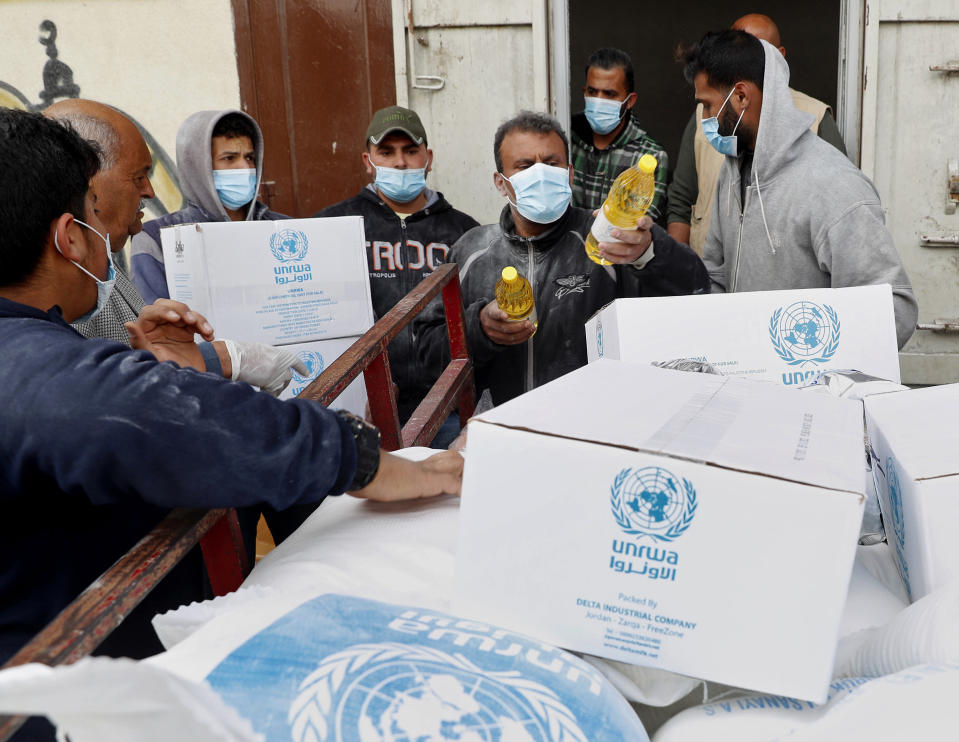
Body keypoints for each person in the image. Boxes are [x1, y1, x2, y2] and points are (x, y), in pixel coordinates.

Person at [0, 109, 462, 676]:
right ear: (70, 236)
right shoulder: (35, 367)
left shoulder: (39, 352)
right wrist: (383, 464)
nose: (146, 194)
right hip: (69, 700)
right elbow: (193, 426)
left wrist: (158, 368)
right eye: (95, 209)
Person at [45, 100, 313, 557]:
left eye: (250, 159)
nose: (149, 190)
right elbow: (92, 391)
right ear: (86, 185)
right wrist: (221, 359)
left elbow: (134, 355)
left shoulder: (106, 266)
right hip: (137, 547)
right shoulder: (116, 261)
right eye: (137, 176)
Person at [416, 111, 708, 407]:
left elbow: (694, 289)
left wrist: (649, 252)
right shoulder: (471, 251)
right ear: (500, 182)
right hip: (503, 430)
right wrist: (478, 329)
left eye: (551, 163)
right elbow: (428, 358)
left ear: (569, 173)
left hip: (591, 428)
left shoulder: (609, 240)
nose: (540, 174)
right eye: (525, 165)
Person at [680, 30, 917, 348]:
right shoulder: (733, 172)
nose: (704, 119)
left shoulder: (832, 185)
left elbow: (894, 310)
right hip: (748, 386)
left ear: (740, 96)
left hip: (809, 392)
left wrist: (812, 367)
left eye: (708, 106)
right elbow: (716, 275)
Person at [313, 106, 479, 441]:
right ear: (367, 160)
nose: (400, 163)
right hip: (361, 409)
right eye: (386, 153)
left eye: (411, 151)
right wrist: (355, 392)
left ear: (428, 158)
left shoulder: (463, 231)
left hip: (445, 407)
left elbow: (473, 320)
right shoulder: (332, 228)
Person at [667, 13, 848, 253]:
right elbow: (681, 200)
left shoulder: (817, 122)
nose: (740, 62)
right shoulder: (711, 121)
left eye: (755, 52)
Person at [130, 109, 287, 303]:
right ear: (198, 167)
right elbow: (154, 317)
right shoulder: (156, 239)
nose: (245, 168)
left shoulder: (285, 229)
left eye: (249, 158)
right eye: (229, 158)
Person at [570, 48, 669, 221]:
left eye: (609, 94)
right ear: (584, 92)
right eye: (593, 92)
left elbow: (637, 224)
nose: (599, 100)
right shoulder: (566, 139)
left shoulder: (650, 156)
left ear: (629, 101)